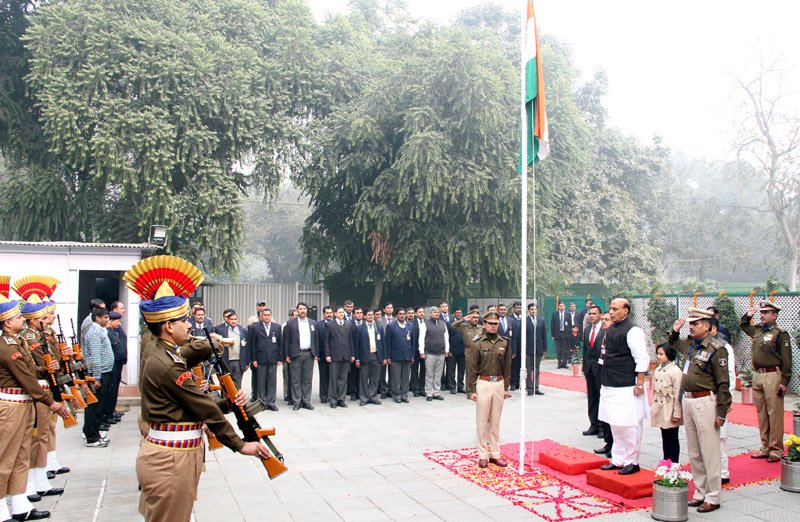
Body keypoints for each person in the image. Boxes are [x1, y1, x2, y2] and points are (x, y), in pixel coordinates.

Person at [123, 255, 269, 522]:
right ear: (168, 326)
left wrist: (228, 402)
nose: (190, 325)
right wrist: (239, 444)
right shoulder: (167, 364)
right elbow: (202, 406)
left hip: (173, 454)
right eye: (183, 320)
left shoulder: (164, 351)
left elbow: (192, 397)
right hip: (169, 460)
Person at [0, 290, 69, 522]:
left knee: (21, 455)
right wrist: (51, 402)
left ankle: (20, 504)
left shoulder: (16, 341)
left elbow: (32, 372)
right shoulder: (7, 345)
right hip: (11, 405)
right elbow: (26, 378)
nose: (23, 319)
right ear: (8, 323)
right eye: (19, 317)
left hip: (23, 403)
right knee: (5, 458)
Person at [668, 308, 731, 514]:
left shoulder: (716, 348)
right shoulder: (691, 345)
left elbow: (723, 383)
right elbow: (672, 344)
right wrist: (675, 331)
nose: (692, 326)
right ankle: (700, 491)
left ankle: (713, 496)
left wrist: (722, 412)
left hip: (706, 401)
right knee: (694, 451)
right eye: (691, 323)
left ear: (707, 326)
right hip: (688, 400)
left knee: (710, 450)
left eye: (696, 323)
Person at [598, 298, 650, 475]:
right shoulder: (611, 328)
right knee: (615, 424)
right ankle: (618, 459)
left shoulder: (633, 331)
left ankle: (632, 461)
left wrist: (640, 383)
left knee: (629, 426)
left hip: (627, 385)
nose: (611, 312)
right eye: (610, 309)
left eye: (615, 309)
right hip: (610, 383)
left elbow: (642, 359)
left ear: (626, 311)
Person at [740, 301, 792, 462]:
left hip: (772, 375)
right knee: (762, 414)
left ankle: (776, 450)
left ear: (775, 315)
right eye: (761, 312)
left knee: (774, 414)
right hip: (758, 375)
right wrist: (749, 314)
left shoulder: (780, 333)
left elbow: (787, 359)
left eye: (766, 312)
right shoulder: (758, 331)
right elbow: (743, 325)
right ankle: (765, 447)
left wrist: (784, 380)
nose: (762, 315)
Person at [466, 311, 512, 469]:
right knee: (482, 421)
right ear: (484, 324)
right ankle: (482, 455)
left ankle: (495, 454)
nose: (493, 326)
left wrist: (506, 387)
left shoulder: (504, 343)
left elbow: (507, 367)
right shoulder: (478, 343)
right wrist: (471, 390)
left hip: (498, 383)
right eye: (490, 323)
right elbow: (471, 368)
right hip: (483, 383)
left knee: (495, 422)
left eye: (496, 324)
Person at [82, 308, 114, 448]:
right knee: (94, 406)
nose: (107, 320)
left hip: (104, 372)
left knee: (99, 406)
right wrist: (96, 378)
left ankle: (95, 432)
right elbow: (95, 357)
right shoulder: (95, 333)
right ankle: (92, 437)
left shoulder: (100, 330)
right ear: (97, 318)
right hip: (98, 374)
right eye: (105, 317)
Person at [711, 318, 736, 484]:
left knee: (720, 437)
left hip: (719, 397)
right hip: (703, 398)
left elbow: (730, 377)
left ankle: (723, 472)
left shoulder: (724, 347)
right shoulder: (698, 346)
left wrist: (726, 400)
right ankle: (711, 470)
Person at [650, 344, 683, 463]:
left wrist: (677, 413)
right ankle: (666, 461)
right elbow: (654, 389)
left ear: (669, 354)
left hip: (670, 406)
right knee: (664, 435)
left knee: (673, 436)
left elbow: (677, 393)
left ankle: (674, 463)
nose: (658, 356)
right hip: (660, 406)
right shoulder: (658, 369)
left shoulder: (675, 371)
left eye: (661, 354)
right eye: (658, 354)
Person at [282, 303, 318, 411]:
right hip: (295, 354)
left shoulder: (312, 323)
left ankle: (306, 401)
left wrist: (315, 353)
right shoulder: (290, 323)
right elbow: (286, 340)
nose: (302, 310)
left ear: (307, 310)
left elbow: (316, 339)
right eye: (300, 309)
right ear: (297, 310)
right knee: (295, 379)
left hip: (309, 354)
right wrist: (286, 355)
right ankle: (297, 401)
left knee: (307, 379)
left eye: (304, 308)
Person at [245, 309, 282, 410]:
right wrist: (253, 359)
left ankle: (271, 402)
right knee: (261, 381)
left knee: (272, 381)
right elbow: (252, 344)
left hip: (273, 358)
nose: (266, 317)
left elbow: (280, 343)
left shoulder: (277, 327)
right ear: (261, 316)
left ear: (271, 316)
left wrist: (280, 358)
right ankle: (263, 402)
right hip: (260, 358)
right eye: (264, 315)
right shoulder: (255, 327)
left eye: (268, 315)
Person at [582, 305, 605, 436]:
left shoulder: (605, 329)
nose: (591, 316)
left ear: (600, 315)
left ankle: (602, 426)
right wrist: (584, 367)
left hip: (601, 368)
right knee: (591, 397)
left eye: (594, 313)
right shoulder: (587, 329)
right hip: (589, 368)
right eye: (590, 313)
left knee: (601, 396)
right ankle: (593, 424)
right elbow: (585, 350)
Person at [325, 306, 354, 408]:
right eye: (339, 312)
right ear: (335, 314)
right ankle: (333, 399)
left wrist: (352, 354)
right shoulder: (329, 325)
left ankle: (341, 399)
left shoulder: (348, 324)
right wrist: (327, 355)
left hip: (346, 355)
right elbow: (326, 341)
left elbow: (351, 340)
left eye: (343, 312)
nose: (341, 314)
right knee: (333, 378)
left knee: (343, 378)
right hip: (334, 355)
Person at [420, 306, 449, 401]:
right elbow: (421, 338)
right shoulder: (425, 323)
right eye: (434, 312)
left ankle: (436, 392)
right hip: (429, 353)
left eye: (438, 312)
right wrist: (421, 351)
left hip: (441, 353)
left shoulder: (442, 323)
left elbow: (446, 338)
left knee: (438, 374)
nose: (437, 314)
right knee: (429, 374)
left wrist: (447, 350)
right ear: (430, 313)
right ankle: (429, 393)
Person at [356, 309, 385, 406]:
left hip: (376, 355)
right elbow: (357, 345)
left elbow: (383, 343)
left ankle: (373, 397)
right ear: (364, 316)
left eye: (372, 315)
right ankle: (364, 398)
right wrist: (357, 358)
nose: (371, 316)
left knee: (375, 378)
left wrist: (384, 357)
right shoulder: (360, 328)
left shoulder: (379, 327)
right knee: (364, 378)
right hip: (364, 355)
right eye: (368, 315)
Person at [384, 308, 414, 403]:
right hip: (395, 356)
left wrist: (412, 355)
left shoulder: (411, 326)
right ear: (396, 315)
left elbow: (413, 342)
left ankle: (404, 395)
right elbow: (387, 343)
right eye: (400, 314)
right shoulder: (391, 326)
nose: (402, 315)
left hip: (407, 356)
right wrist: (388, 357)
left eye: (403, 314)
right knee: (396, 377)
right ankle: (396, 395)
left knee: (405, 377)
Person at [104, 310, 127, 426]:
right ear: (111, 321)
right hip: (112, 365)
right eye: (117, 321)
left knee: (114, 390)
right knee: (110, 390)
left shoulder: (116, 331)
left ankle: (111, 412)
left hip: (118, 364)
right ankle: (107, 414)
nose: (119, 324)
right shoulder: (107, 333)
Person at [214, 311, 247, 389]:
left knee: (237, 384)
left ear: (237, 320)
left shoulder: (242, 330)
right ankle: (225, 400)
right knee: (226, 384)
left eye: (235, 319)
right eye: (231, 319)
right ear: (228, 320)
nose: (233, 321)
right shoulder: (221, 331)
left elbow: (246, 347)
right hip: (226, 361)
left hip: (238, 361)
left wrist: (246, 362)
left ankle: (236, 400)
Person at [525, 303, 546, 396]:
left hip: (538, 348)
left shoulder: (541, 321)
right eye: (531, 309)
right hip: (528, 349)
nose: (533, 311)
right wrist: (523, 351)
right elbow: (523, 337)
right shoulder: (525, 321)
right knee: (529, 369)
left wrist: (544, 349)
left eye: (535, 309)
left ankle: (536, 387)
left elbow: (543, 335)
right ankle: (529, 388)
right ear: (528, 311)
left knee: (537, 369)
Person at [316, 306, 333, 404]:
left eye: (330, 312)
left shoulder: (336, 324)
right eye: (327, 313)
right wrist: (317, 353)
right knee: (323, 376)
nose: (329, 314)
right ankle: (323, 395)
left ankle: (331, 395)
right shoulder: (318, 324)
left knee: (333, 376)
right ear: (323, 314)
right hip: (322, 355)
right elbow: (316, 339)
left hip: (334, 355)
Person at [409, 307, 426, 397]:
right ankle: (415, 389)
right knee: (414, 370)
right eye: (419, 312)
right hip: (414, 350)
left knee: (424, 370)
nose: (422, 313)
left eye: (423, 312)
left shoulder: (427, 323)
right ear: (416, 314)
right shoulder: (411, 323)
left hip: (424, 351)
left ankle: (422, 388)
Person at [550, 302, 572, 369]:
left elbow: (570, 324)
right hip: (558, 334)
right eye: (560, 306)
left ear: (564, 307)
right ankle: (559, 363)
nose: (561, 307)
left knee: (565, 349)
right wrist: (553, 335)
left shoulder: (568, 314)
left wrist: (570, 334)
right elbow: (552, 325)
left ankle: (564, 363)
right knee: (558, 349)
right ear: (558, 307)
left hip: (566, 334)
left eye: (563, 306)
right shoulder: (554, 314)